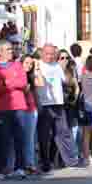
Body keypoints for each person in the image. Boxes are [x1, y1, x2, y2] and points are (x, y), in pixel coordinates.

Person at [0, 40, 31, 181]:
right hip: (3, 107)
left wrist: (8, 82)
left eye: (11, 49)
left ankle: (20, 168)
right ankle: (0, 169)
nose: (11, 52)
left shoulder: (17, 65)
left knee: (20, 138)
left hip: (19, 106)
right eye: (7, 49)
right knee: (3, 139)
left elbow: (23, 83)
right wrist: (12, 82)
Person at [35, 43, 80, 172]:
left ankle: (70, 160)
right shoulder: (38, 64)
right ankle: (45, 162)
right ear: (42, 53)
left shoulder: (56, 65)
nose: (49, 56)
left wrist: (67, 68)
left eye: (52, 54)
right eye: (47, 54)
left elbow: (65, 81)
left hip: (58, 103)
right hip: (44, 104)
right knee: (44, 136)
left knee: (63, 132)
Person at [20, 53, 40, 175]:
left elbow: (41, 83)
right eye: (26, 63)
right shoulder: (18, 75)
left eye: (31, 63)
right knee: (21, 138)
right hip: (20, 109)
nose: (29, 65)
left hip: (32, 109)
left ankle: (30, 163)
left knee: (30, 138)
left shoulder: (31, 76)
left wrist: (37, 67)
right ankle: (22, 163)